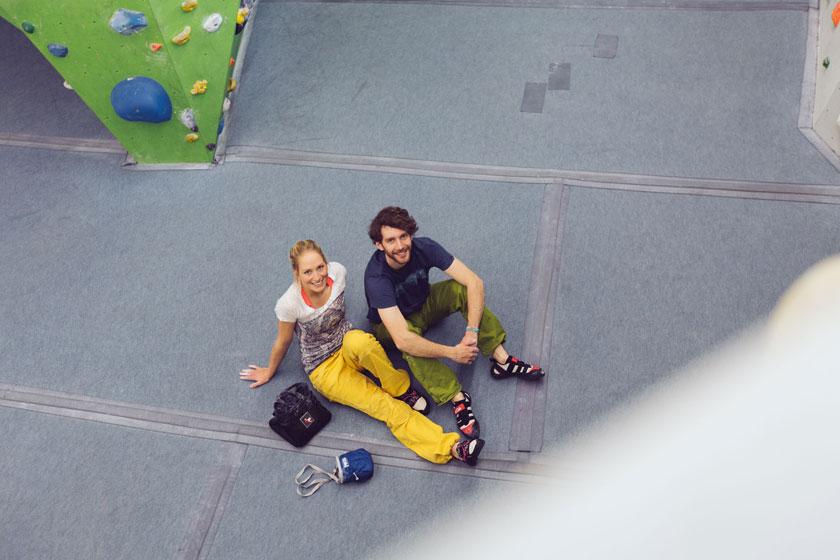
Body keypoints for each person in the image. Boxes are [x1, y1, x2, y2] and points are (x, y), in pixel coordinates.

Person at [240, 239, 484, 465]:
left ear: (327, 263)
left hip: (347, 342)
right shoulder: (289, 304)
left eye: (319, 267)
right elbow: (283, 342)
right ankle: (451, 447)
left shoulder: (338, 273)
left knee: (363, 342)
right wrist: (269, 371)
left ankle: (401, 388)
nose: (317, 276)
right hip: (324, 368)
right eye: (307, 272)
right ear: (297, 274)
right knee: (386, 407)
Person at [364, 207, 545, 440]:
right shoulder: (376, 278)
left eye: (403, 236)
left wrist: (472, 330)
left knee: (460, 289)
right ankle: (457, 398)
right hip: (394, 326)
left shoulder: (424, 247)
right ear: (379, 245)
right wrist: (453, 353)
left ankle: (502, 360)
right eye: (391, 240)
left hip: (423, 303)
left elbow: (474, 282)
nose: (400, 245)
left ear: (410, 235)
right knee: (409, 345)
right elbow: (402, 338)